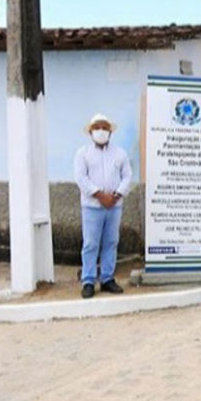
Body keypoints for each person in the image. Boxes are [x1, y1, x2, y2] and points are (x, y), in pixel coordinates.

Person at [74, 113, 133, 299]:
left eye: (104, 128)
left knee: (111, 242)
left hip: (114, 206)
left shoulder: (120, 153)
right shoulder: (82, 153)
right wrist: (100, 195)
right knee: (91, 244)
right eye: (97, 128)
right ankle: (88, 280)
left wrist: (115, 196)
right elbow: (81, 178)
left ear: (110, 132)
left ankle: (107, 278)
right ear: (90, 132)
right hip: (92, 206)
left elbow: (127, 176)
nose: (101, 131)